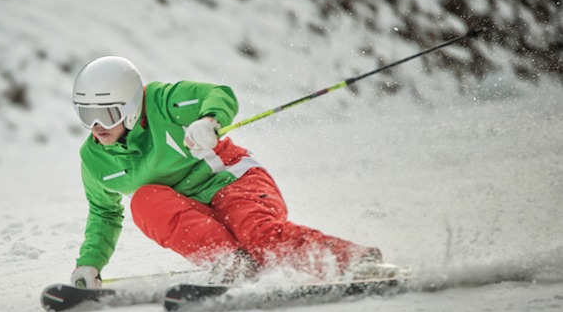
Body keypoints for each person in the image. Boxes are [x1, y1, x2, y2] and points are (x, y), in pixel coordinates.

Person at [69, 56, 392, 288]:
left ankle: (355, 262)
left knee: (259, 236)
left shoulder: (162, 100)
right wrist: (90, 264)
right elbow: (104, 214)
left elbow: (218, 94)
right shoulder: (95, 158)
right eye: (86, 115)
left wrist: (209, 120)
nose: (96, 126)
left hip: (232, 181)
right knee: (144, 200)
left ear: (130, 106)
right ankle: (231, 264)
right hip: (191, 210)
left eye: (106, 113)